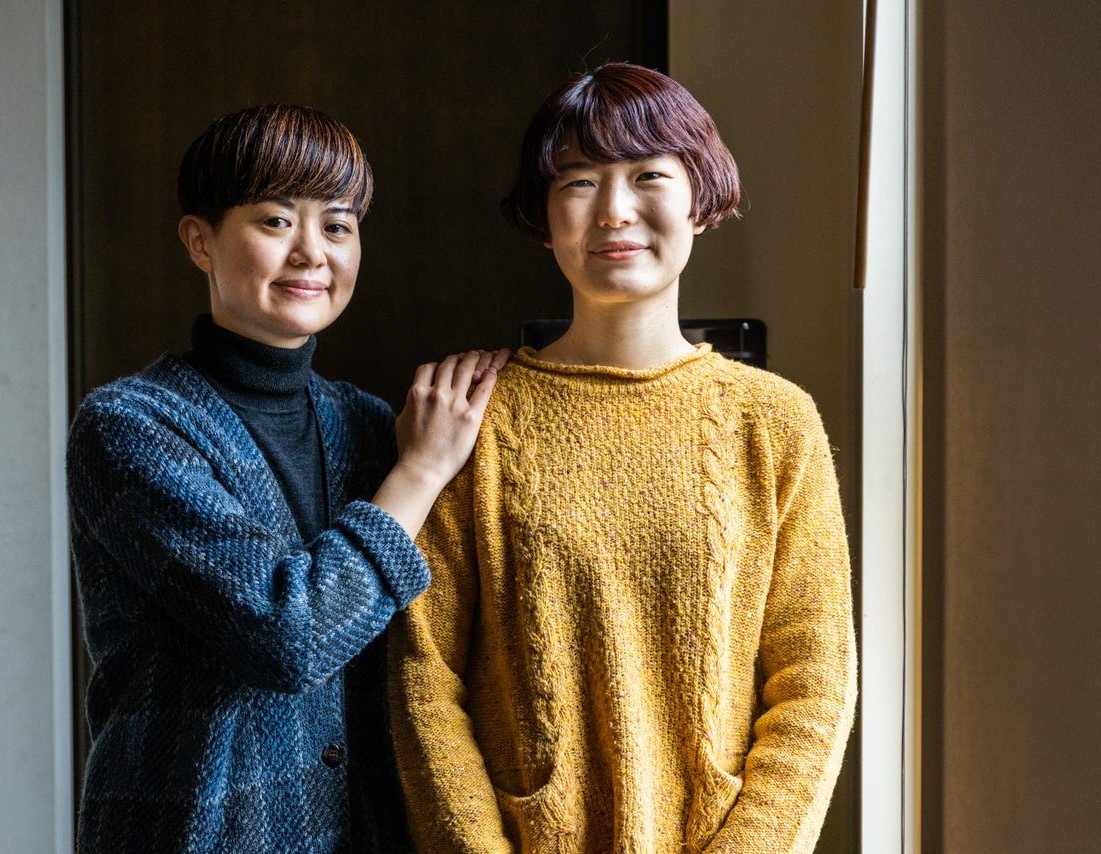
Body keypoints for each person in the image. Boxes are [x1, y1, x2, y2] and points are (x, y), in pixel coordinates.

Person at [389, 63, 857, 853]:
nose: (614, 210)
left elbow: (814, 684)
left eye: (648, 175)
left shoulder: (775, 423)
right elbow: (424, 680)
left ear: (700, 199)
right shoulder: (472, 416)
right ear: (543, 214)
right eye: (578, 181)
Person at [67, 104, 505, 853]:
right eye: (276, 222)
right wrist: (424, 470)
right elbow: (287, 635)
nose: (312, 253)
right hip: (193, 833)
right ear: (200, 240)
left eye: (337, 225)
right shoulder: (131, 425)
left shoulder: (368, 426)